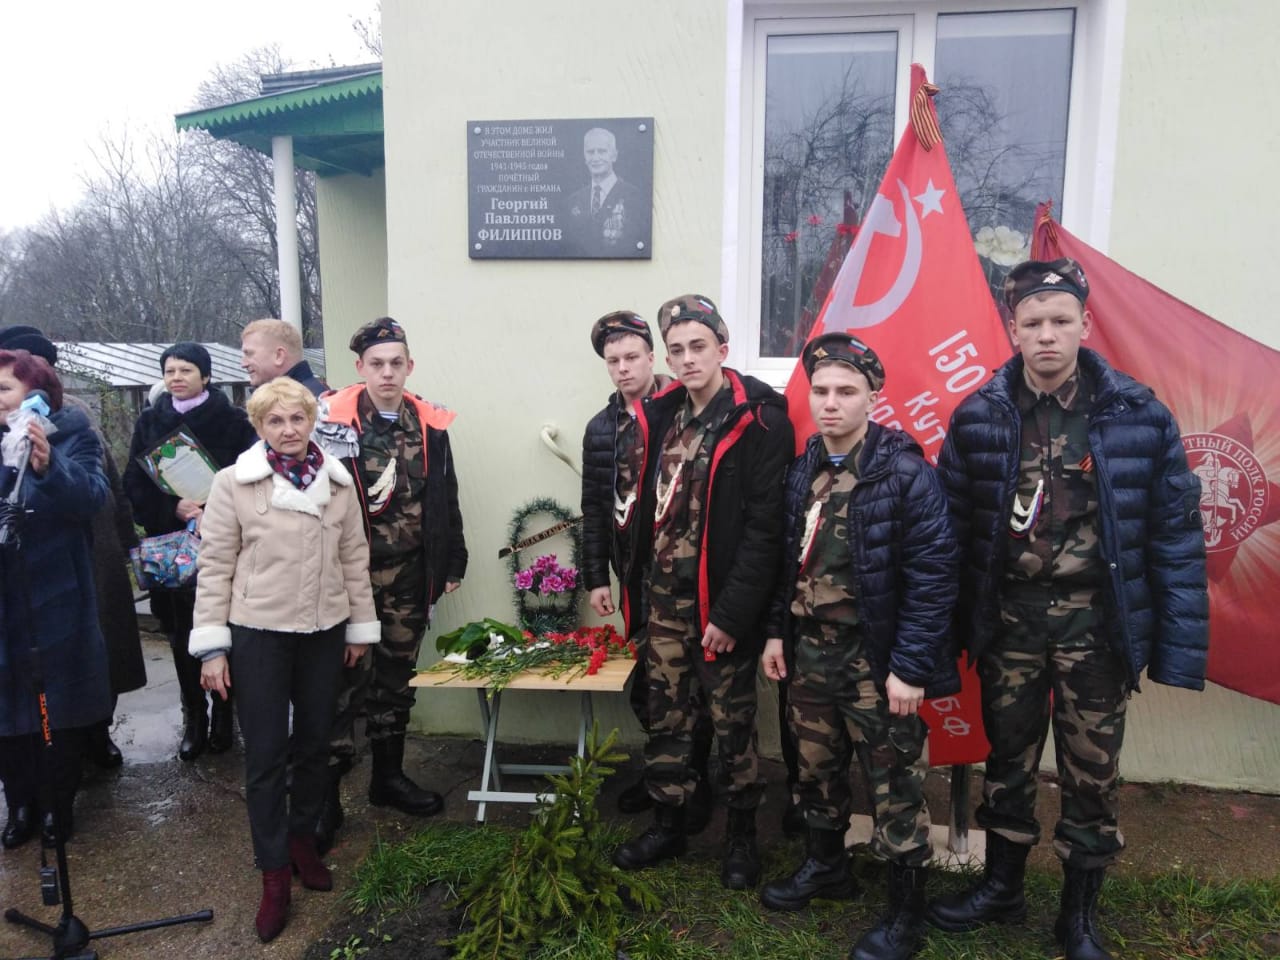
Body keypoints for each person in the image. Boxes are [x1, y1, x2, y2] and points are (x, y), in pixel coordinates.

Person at [929, 259, 1209, 960]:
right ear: (1013, 330)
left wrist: (1178, 649)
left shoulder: (1136, 416)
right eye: (1033, 323)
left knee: (1092, 773)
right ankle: (1002, 887)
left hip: (1096, 631)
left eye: (1061, 320)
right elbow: (950, 533)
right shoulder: (980, 416)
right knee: (1008, 762)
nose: (1047, 335)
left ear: (1086, 324)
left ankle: (1078, 917)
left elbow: (1174, 536)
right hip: (1011, 627)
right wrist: (941, 636)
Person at [758, 334, 958, 960]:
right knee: (815, 769)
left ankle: (905, 914)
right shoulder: (803, 470)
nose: (830, 403)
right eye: (820, 391)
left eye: (846, 391)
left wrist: (910, 668)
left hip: (876, 661)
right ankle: (827, 868)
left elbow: (934, 576)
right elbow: (784, 562)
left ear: (874, 396)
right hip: (810, 654)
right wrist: (775, 631)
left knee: (895, 782)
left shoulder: (905, 473)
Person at [611, 294, 792, 890]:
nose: (688, 359)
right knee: (667, 718)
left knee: (733, 725)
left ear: (722, 348)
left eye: (699, 346)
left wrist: (734, 614)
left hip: (720, 607)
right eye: (677, 350)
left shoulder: (759, 419)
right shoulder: (662, 414)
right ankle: (668, 823)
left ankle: (741, 836)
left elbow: (766, 530)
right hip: (665, 603)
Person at [190, 377, 378, 942]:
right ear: (259, 427)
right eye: (275, 420)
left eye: (297, 418)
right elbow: (215, 564)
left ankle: (302, 842)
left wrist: (359, 627)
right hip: (259, 635)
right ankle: (273, 874)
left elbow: (354, 557)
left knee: (316, 746)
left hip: (324, 632)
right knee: (267, 756)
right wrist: (213, 647)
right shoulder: (234, 483)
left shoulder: (338, 483)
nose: (288, 430)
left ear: (311, 421)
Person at [314, 316, 468, 853]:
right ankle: (326, 796)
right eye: (376, 364)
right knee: (340, 683)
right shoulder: (332, 424)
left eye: (396, 363)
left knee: (396, 678)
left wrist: (453, 560)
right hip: (348, 577)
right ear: (360, 367)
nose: (387, 373)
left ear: (409, 367)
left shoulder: (428, 423)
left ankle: (387, 777)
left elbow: (445, 494)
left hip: (408, 576)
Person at [580, 311, 713, 828]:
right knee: (650, 683)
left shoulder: (680, 408)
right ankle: (666, 772)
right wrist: (597, 577)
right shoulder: (602, 428)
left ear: (652, 358)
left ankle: (696, 779)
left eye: (632, 357)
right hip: (637, 578)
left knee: (695, 684)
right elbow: (595, 507)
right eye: (613, 360)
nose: (623, 368)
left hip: (690, 575)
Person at [0, 326, 146, 771]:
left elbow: (106, 485)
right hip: (20, 573)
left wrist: (128, 541)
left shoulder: (73, 419)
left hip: (85, 550)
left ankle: (94, 734)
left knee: (90, 655)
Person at [122, 343, 257, 762]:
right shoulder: (149, 421)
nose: (177, 378)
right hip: (172, 549)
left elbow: (253, 477)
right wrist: (172, 508)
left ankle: (224, 714)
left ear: (206, 376)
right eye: (170, 371)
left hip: (224, 542)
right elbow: (133, 484)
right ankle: (194, 716)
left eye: (186, 370)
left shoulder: (234, 422)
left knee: (224, 632)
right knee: (181, 636)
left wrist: (216, 506)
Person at [0, 349, 110, 851]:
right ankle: (20, 803)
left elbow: (92, 498)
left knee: (55, 709)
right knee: (7, 710)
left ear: (36, 393)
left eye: (5, 389)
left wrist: (49, 466)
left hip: (54, 596)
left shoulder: (72, 433)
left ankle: (56, 805)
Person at [564, 127, 647, 255]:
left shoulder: (634, 197)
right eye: (590, 152)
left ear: (614, 156)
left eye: (602, 151)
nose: (595, 158)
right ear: (584, 156)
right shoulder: (572, 201)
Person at [241, 318, 329, 396]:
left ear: (279, 355)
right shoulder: (306, 400)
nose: (243, 364)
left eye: (249, 353)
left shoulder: (307, 404)